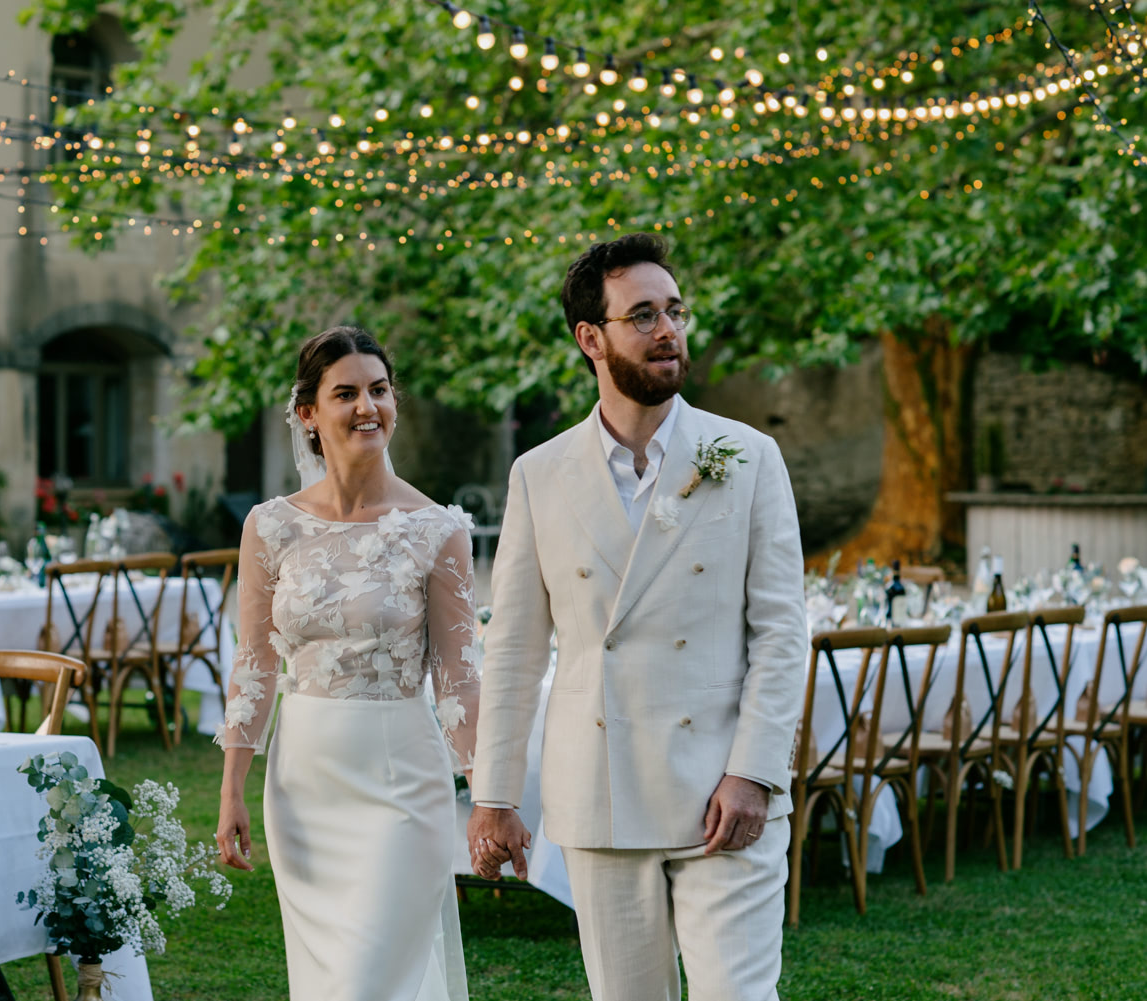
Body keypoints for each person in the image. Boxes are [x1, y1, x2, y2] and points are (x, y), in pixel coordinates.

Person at [467, 233, 806, 1001]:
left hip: (725, 792)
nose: (668, 330)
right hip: (602, 792)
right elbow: (515, 648)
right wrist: (494, 796)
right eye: (644, 314)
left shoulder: (748, 456)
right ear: (591, 337)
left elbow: (783, 634)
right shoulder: (539, 474)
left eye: (676, 311)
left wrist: (753, 772)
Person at [216, 325, 480, 1001]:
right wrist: (231, 789)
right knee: (327, 982)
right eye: (347, 393)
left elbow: (458, 680)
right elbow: (254, 664)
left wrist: (487, 795)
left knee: (369, 982)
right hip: (303, 786)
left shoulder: (438, 529)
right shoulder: (270, 527)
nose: (369, 406)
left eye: (380, 389)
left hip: (402, 784)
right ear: (308, 412)